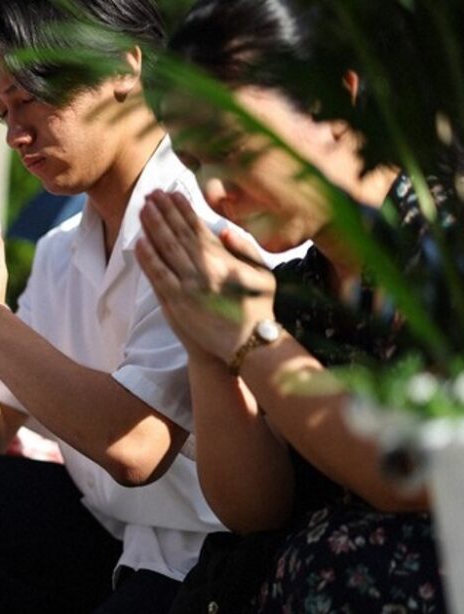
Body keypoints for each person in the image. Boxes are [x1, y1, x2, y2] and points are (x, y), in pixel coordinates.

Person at [0, 0, 296, 609]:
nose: (16, 133)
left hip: (224, 552)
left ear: (125, 69)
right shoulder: (57, 252)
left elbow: (138, 447)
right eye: (2, 111)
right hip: (121, 539)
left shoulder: (208, 218)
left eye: (30, 99)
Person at [134, 0, 448, 610]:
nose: (216, 191)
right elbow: (257, 508)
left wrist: (253, 337)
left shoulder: (446, 241)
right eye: (195, 163)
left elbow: (410, 472)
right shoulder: (301, 290)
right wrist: (208, 346)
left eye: (231, 147)